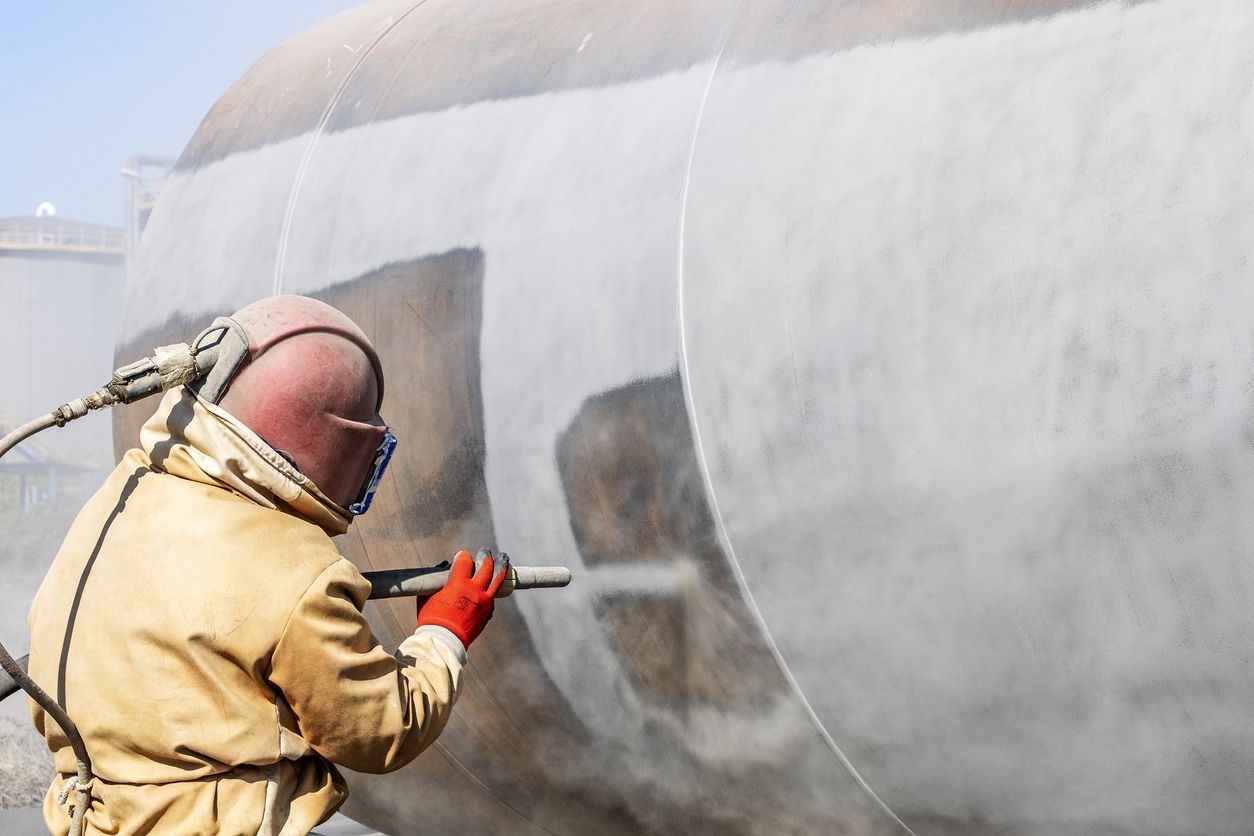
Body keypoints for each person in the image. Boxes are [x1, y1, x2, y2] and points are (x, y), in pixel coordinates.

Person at [25, 295, 504, 835]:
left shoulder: (122, 495)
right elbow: (378, 730)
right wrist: (443, 634)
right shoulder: (296, 568)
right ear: (337, 447)